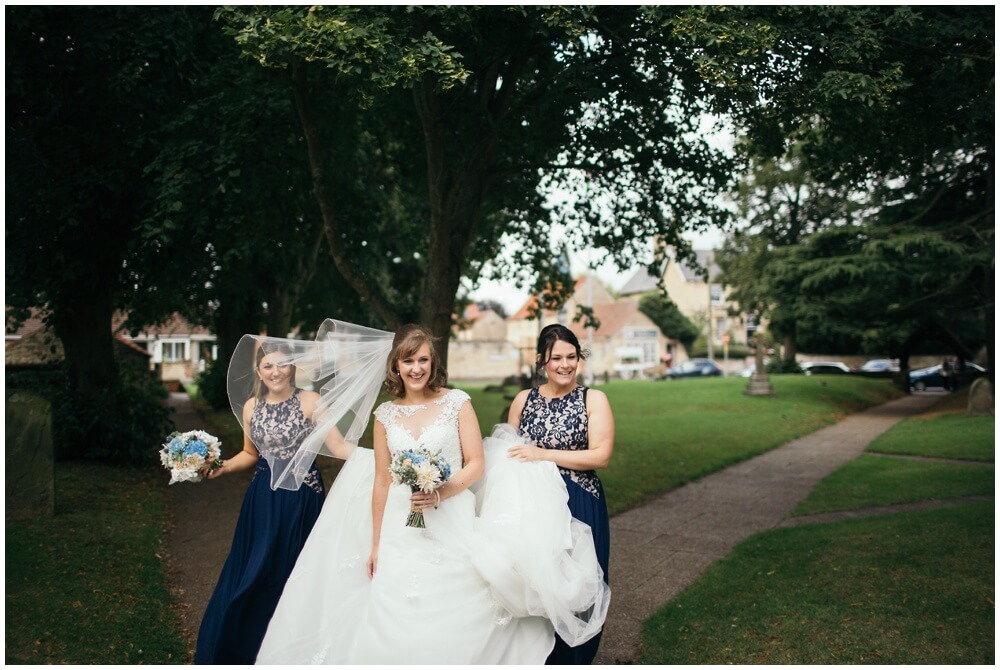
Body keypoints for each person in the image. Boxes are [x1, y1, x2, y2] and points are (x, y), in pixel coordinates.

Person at [256, 323, 609, 664]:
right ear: (396, 365)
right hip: (400, 525)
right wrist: (376, 542)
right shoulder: (385, 416)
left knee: (466, 602)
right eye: (408, 361)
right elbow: (382, 480)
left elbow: (476, 463)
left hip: (452, 518)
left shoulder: (457, 402)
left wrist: (441, 492)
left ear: (432, 363)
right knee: (393, 609)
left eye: (423, 360)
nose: (416, 368)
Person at [194, 340, 325, 664]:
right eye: (268, 366)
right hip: (263, 500)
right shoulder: (252, 406)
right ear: (260, 371)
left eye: (282, 364)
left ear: (292, 366)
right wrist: (222, 467)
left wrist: (376, 462)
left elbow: (336, 445)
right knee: (255, 572)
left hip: (302, 498)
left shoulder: (311, 401)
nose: (275, 371)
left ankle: (294, 650)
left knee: (296, 572)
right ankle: (244, 647)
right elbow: (250, 454)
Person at [507, 323, 614, 665]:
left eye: (572, 356)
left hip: (580, 501)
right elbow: (507, 453)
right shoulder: (524, 400)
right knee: (536, 584)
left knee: (582, 587)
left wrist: (543, 454)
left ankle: (577, 660)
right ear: (542, 361)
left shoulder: (593, 399)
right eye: (557, 358)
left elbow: (600, 456)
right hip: (533, 504)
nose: (566, 364)